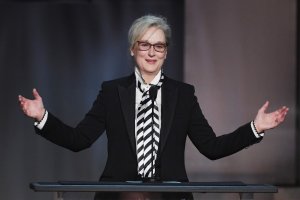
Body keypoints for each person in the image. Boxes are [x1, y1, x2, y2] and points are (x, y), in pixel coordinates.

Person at [18, 15, 288, 200]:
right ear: (132, 50)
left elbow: (212, 148)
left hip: (169, 196)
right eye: (144, 44)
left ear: (166, 52)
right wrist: (42, 116)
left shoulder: (183, 94)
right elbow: (80, 140)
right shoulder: (112, 92)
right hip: (120, 197)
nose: (151, 52)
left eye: (158, 46)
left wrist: (255, 128)